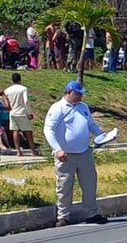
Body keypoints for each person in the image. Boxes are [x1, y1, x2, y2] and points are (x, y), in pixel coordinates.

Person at [44, 81, 109, 226]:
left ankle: (91, 213)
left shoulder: (83, 107)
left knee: (89, 183)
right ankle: (63, 216)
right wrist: (57, 149)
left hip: (84, 152)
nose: (80, 96)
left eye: (81, 94)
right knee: (64, 185)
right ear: (68, 92)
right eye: (77, 94)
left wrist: (100, 134)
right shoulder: (58, 108)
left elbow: (90, 124)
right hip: (66, 155)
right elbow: (48, 130)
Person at [4, 73, 36, 156]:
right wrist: (29, 113)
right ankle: (33, 151)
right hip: (22, 112)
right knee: (28, 132)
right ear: (20, 79)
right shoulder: (23, 89)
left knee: (15, 131)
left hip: (13, 113)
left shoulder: (7, 90)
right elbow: (26, 101)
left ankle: (18, 151)